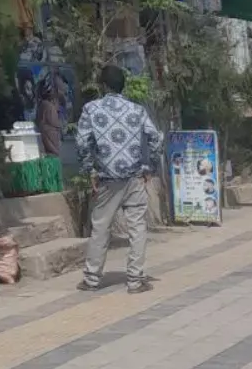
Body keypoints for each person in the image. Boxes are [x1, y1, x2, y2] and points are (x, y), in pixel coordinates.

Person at [74, 63, 164, 295]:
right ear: (123, 85)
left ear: (103, 85)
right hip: (134, 177)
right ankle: (135, 280)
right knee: (137, 228)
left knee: (101, 228)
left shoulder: (91, 109)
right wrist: (149, 166)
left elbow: (83, 142)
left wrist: (90, 170)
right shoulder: (137, 110)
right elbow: (155, 137)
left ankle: (92, 278)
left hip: (107, 180)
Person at [34, 72, 64, 160]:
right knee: (53, 156)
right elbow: (53, 123)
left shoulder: (44, 104)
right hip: (49, 136)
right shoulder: (48, 106)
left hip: (47, 134)